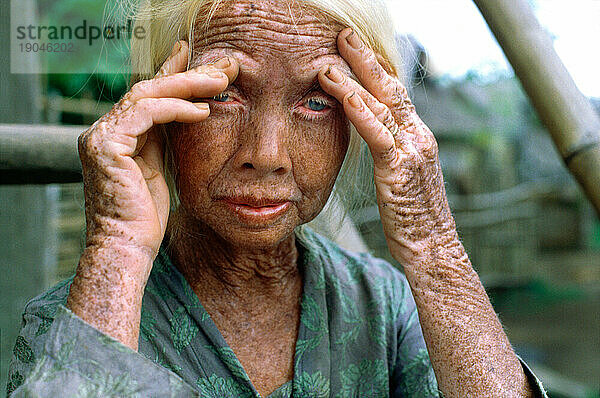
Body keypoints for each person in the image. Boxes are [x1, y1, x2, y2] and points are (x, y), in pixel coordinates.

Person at [7, 0, 548, 396]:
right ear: (157, 100)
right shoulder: (75, 321)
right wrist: (118, 246)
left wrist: (435, 248)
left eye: (316, 99)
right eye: (222, 93)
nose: (266, 155)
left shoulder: (384, 306)